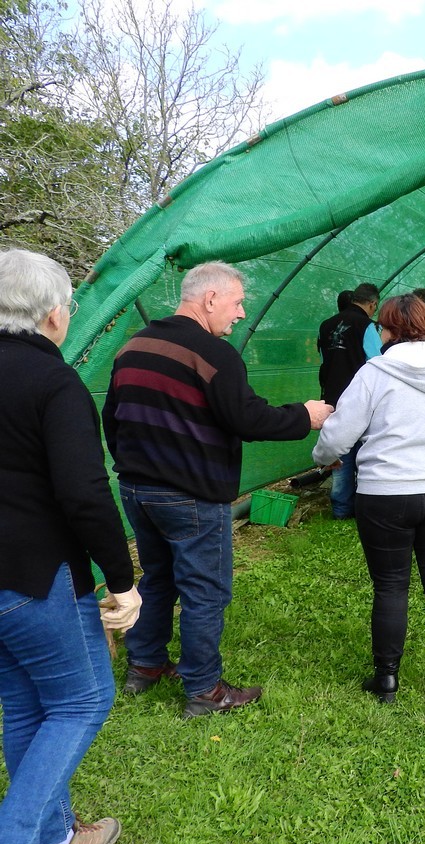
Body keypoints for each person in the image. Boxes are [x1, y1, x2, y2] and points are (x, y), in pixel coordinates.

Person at [104, 261, 333, 719]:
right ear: (210, 299)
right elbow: (245, 417)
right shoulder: (214, 355)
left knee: (160, 576)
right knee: (205, 591)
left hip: (137, 490)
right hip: (189, 495)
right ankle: (205, 690)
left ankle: (145, 666)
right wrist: (304, 416)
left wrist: (135, 467)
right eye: (237, 302)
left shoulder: (135, 346)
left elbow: (113, 417)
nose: (242, 313)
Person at [0, 248, 142, 844]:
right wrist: (121, 580)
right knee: (83, 698)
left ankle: (55, 842)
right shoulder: (53, 383)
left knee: (31, 704)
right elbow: (84, 492)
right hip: (33, 576)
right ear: (55, 314)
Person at [313, 295, 425, 702]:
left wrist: (323, 458)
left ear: (387, 330)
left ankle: (387, 679)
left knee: (390, 586)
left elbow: (338, 435)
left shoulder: (375, 373)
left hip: (386, 494)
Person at [317, 282, 382, 519]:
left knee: (339, 456)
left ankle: (341, 509)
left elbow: (325, 359)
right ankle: (367, 506)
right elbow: (377, 362)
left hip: (331, 398)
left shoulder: (325, 326)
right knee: (367, 454)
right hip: (359, 398)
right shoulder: (366, 325)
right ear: (373, 304)